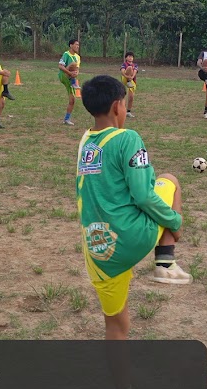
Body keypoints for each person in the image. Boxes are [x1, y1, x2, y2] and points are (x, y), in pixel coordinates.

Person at [76, 75, 191, 343]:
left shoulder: (85, 142)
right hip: (131, 238)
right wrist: (174, 222)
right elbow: (143, 196)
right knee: (170, 180)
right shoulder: (128, 138)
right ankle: (165, 260)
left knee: (117, 326)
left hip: (98, 250)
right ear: (117, 106)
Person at [58, 38, 81, 126]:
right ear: (71, 45)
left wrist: (76, 73)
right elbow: (60, 66)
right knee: (74, 64)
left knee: (72, 100)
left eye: (78, 45)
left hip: (70, 78)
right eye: (76, 44)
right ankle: (73, 82)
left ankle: (66, 119)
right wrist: (70, 73)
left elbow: (77, 69)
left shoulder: (78, 57)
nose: (78, 46)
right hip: (63, 75)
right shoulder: (66, 54)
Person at [120, 52, 139, 118]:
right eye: (129, 56)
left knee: (131, 97)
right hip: (125, 78)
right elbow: (122, 71)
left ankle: (128, 112)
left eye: (132, 57)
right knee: (130, 68)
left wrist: (131, 77)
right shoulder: (124, 64)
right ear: (126, 58)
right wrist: (127, 77)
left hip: (131, 80)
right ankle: (122, 111)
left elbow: (135, 72)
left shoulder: (135, 65)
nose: (130, 58)